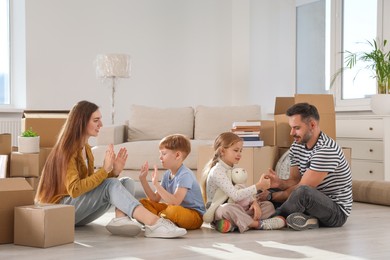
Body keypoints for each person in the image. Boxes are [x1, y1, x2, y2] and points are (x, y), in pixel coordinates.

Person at [35, 100, 186, 238]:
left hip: (75, 211)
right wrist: (104, 170)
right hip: (59, 212)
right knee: (112, 184)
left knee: (126, 182)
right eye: (96, 120)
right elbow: (75, 189)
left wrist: (113, 171)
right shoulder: (67, 150)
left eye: (100, 119)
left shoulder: (86, 149)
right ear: (81, 122)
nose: (101, 124)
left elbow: (91, 188)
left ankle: (120, 219)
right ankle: (154, 223)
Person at [258, 102, 353, 231]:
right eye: (291, 127)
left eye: (296, 128)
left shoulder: (326, 150)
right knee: (264, 190)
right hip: (308, 202)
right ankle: (308, 219)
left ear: (312, 125)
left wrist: (271, 197)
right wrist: (279, 183)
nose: (292, 133)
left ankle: (265, 220)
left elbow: (302, 188)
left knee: (303, 193)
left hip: (335, 212)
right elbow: (295, 180)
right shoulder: (297, 145)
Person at [200, 132, 286, 233]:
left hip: (238, 208)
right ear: (222, 151)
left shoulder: (235, 169)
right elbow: (235, 195)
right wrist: (258, 186)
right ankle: (258, 224)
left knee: (268, 206)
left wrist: (254, 203)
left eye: (241, 151)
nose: (239, 154)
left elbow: (243, 190)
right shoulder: (217, 171)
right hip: (220, 209)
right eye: (236, 150)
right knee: (226, 209)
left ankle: (233, 224)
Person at [138, 134, 205, 230]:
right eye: (160, 154)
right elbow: (154, 199)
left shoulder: (185, 174)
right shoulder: (167, 174)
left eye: (164, 154)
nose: (160, 157)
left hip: (194, 215)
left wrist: (157, 185)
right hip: (174, 209)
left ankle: (156, 220)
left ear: (177, 155)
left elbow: (175, 201)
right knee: (143, 203)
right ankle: (160, 220)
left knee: (172, 211)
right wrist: (143, 180)